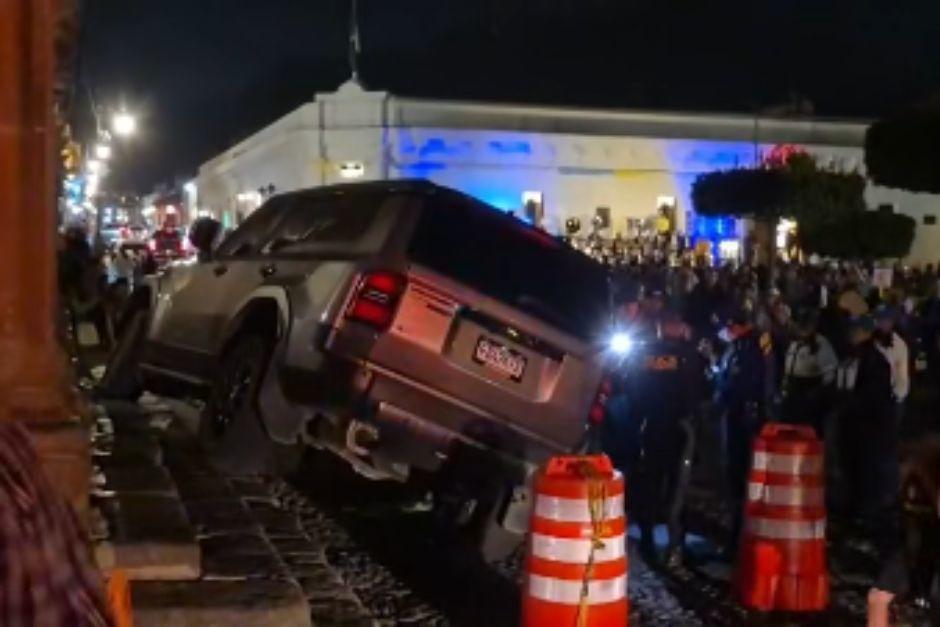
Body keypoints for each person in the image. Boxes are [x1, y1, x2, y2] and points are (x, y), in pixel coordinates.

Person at [835, 315, 906, 627]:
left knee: (877, 502)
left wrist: (848, 410)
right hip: (864, 442)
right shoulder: (859, 358)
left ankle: (885, 565)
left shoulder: (873, 361)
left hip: (872, 443)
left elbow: (870, 403)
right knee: (866, 498)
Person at [625, 283, 699, 567]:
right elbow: (697, 389)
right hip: (676, 427)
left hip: (653, 425)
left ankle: (649, 541)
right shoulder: (686, 355)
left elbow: (633, 387)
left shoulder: (646, 352)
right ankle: (673, 545)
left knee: (652, 484)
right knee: (675, 491)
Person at [702, 307, 774, 557]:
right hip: (736, 417)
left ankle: (740, 537)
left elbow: (742, 384)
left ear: (736, 326)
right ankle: (736, 533)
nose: (724, 332)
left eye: (727, 327)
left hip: (744, 420)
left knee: (741, 477)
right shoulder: (737, 347)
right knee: (734, 478)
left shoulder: (751, 347)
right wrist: (713, 362)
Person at [780, 308, 838, 434]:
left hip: (810, 396)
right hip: (792, 395)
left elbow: (830, 372)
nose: (802, 329)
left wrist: (818, 393)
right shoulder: (794, 343)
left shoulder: (820, 344)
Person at [873, 305, 910, 422]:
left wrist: (897, 396)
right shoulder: (871, 340)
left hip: (892, 399)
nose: (882, 323)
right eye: (879, 320)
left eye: (886, 320)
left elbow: (900, 375)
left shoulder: (898, 345)